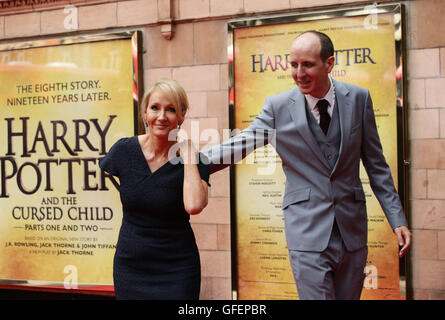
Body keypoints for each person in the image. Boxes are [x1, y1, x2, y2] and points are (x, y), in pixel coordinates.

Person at [203, 31, 411, 300]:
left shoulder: (359, 98)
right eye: (294, 65)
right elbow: (242, 143)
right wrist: (190, 164)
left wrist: (397, 219)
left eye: (307, 65)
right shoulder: (277, 107)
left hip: (352, 231)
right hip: (306, 232)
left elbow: (377, 165)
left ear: (329, 63)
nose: (298, 73)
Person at [99, 79, 210, 300]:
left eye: (171, 110)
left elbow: (194, 205)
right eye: (155, 108)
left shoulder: (196, 160)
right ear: (145, 112)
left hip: (177, 269)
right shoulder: (124, 151)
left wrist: (188, 156)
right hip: (131, 265)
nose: (161, 116)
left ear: (182, 115)